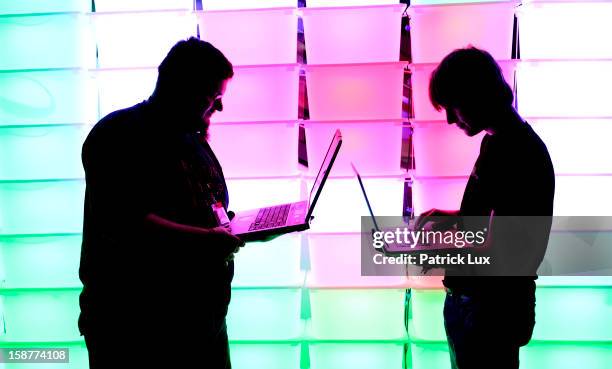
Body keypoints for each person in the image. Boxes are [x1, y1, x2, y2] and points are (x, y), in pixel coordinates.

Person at [78, 37, 244, 368]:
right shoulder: (118, 134)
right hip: (136, 329)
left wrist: (240, 228)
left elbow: (205, 211)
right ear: (184, 88)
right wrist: (210, 241)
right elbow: (125, 224)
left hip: (202, 322)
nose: (219, 107)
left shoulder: (193, 141)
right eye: (214, 96)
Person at [416, 47, 555, 368]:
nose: (450, 119)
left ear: (477, 94)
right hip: (477, 306)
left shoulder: (518, 153)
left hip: (490, 311)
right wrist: (451, 220)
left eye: (454, 106)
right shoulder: (497, 141)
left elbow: (501, 252)